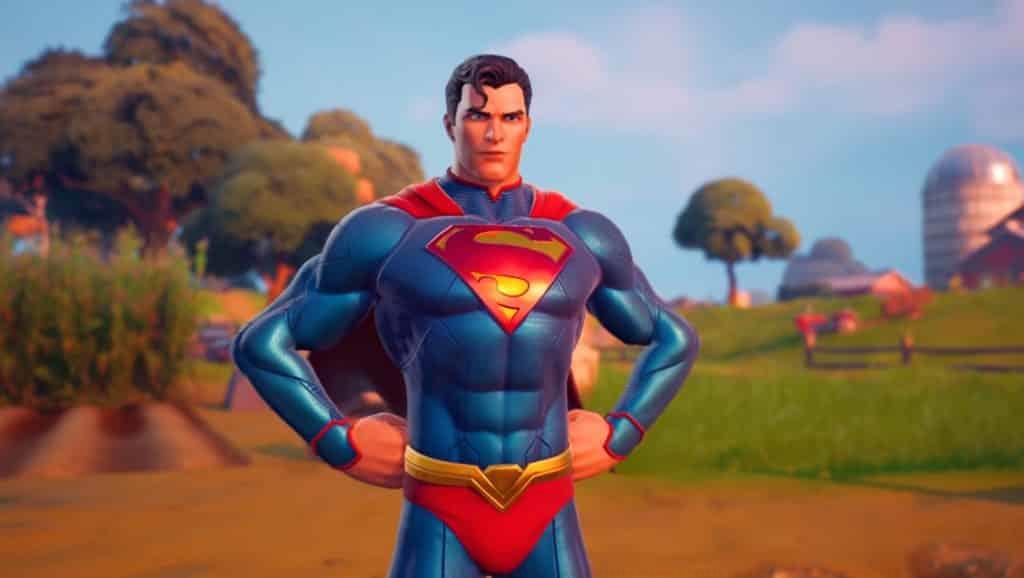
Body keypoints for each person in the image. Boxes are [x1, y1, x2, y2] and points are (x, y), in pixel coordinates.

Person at [232, 53, 699, 578]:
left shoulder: (582, 233)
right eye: (478, 115)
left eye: (509, 117)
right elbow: (262, 343)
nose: (494, 134)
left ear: (527, 126)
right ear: (450, 124)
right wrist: (336, 440)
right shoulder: (387, 231)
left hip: (547, 502)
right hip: (440, 501)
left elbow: (673, 338)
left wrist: (623, 433)